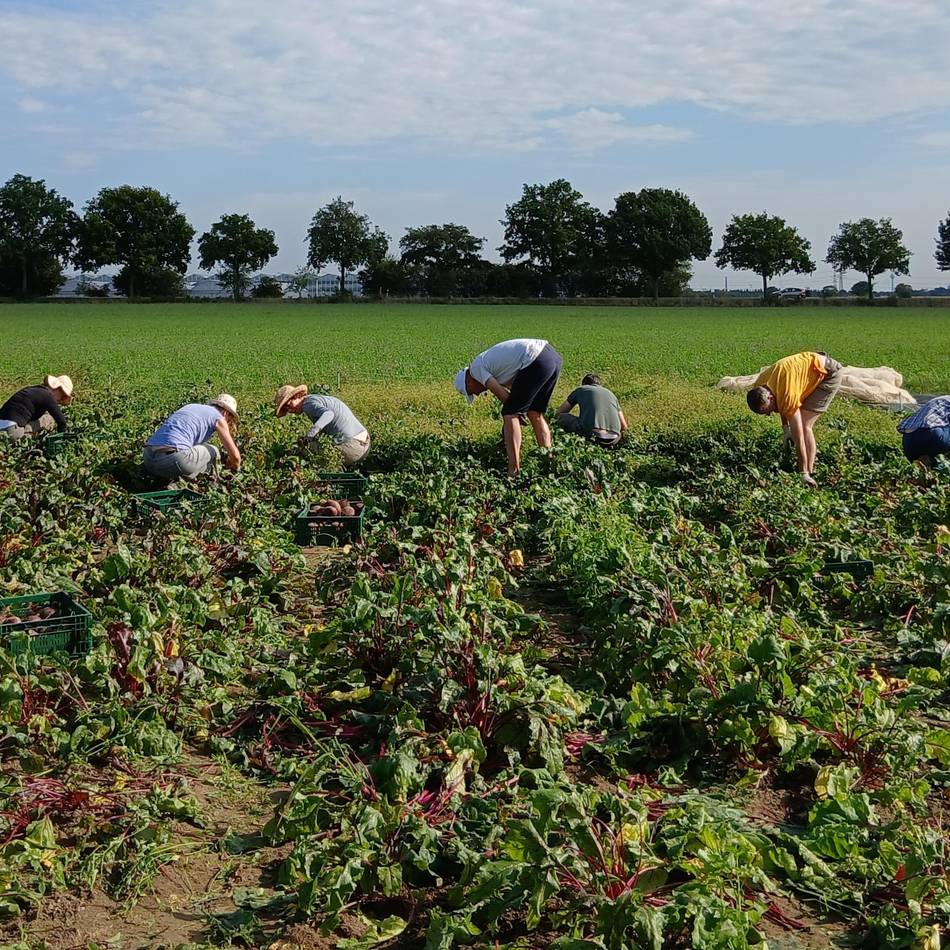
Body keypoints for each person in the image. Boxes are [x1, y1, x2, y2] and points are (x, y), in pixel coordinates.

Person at [454, 338, 562, 475]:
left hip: (534, 358)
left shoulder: (476, 369)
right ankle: (549, 462)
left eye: (471, 392)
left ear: (468, 382)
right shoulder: (497, 368)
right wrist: (520, 411)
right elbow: (518, 394)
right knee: (535, 413)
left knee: (509, 413)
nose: (476, 394)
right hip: (551, 357)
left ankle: (513, 470)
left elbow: (502, 394)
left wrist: (517, 412)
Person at [746, 351, 843, 487]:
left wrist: (802, 472)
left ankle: (809, 473)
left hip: (828, 373)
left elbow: (799, 438)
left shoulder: (787, 397)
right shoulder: (760, 384)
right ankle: (808, 469)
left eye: (768, 411)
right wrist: (786, 429)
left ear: (770, 398)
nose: (769, 415)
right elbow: (780, 404)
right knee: (797, 421)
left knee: (804, 426)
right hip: (808, 367)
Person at [143, 394, 241, 480]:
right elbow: (236, 457)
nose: (228, 421)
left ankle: (175, 481)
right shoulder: (218, 418)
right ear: (226, 413)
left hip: (148, 458)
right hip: (173, 460)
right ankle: (213, 485)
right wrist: (235, 471)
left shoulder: (191, 406)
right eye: (230, 418)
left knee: (196, 451)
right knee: (213, 451)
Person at [274, 385, 370, 466]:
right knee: (316, 445)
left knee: (305, 449)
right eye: (287, 409)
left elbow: (328, 414)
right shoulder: (317, 399)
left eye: (289, 404)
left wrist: (310, 434)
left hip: (352, 446)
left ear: (297, 396)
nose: (290, 410)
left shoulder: (307, 405)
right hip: (365, 443)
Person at [555, 373, 627, 447]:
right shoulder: (611, 394)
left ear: (584, 384)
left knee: (561, 417)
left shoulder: (582, 389)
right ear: (599, 384)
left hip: (593, 436)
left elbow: (560, 412)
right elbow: (624, 426)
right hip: (614, 439)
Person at [0, 375, 73, 440]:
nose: (60, 400)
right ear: (58, 389)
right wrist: (62, 438)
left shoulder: (32, 390)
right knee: (48, 419)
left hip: (2, 430)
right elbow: (62, 422)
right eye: (62, 396)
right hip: (12, 431)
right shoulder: (47, 396)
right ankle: (25, 437)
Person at [898, 395, 950, 469]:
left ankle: (925, 463)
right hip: (932, 436)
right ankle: (933, 461)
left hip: (908, 441)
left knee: (921, 473)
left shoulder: (941, 400)